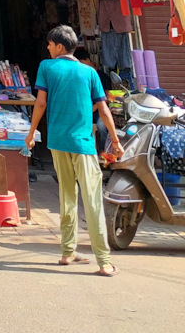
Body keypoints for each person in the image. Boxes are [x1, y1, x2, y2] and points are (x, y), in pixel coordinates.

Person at [25, 24, 124, 276]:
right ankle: (103, 260)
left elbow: (40, 102)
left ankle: (68, 251)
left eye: (49, 44)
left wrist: (31, 132)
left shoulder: (46, 67)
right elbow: (103, 110)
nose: (47, 47)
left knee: (67, 196)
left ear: (59, 46)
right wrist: (115, 140)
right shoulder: (89, 73)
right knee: (92, 200)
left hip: (57, 142)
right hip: (82, 144)